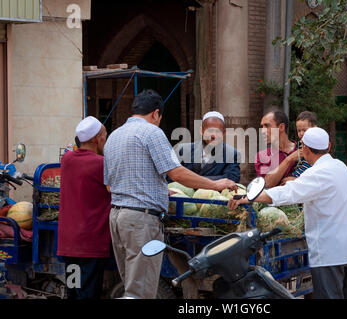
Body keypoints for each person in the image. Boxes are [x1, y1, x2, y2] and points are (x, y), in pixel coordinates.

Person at [103, 89, 236, 299]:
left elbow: (110, 185)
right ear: (156, 114)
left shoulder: (113, 136)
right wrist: (216, 185)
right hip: (141, 220)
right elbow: (176, 173)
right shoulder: (152, 133)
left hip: (117, 218)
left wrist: (155, 188)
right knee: (141, 291)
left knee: (131, 286)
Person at [229, 127, 347, 299]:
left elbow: (288, 193)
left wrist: (249, 197)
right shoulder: (341, 167)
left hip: (331, 254)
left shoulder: (316, 173)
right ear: (328, 147)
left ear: (305, 150)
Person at [57, 116, 111, 299]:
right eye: (104, 135)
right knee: (88, 293)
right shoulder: (101, 164)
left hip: (69, 243)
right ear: (97, 139)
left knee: (73, 290)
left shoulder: (67, 160)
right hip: (90, 243)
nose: (106, 138)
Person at [174, 111, 241, 182]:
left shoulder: (232, 154)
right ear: (201, 131)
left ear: (223, 133)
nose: (213, 135)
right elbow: (173, 176)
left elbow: (232, 179)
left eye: (218, 131)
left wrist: (191, 180)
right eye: (210, 131)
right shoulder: (183, 150)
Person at [264, 111, 318, 187]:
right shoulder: (300, 145)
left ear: (315, 128)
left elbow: (313, 167)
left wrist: (297, 179)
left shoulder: (315, 145)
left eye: (305, 130)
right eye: (299, 131)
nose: (302, 133)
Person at [255, 110, 296, 178]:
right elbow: (267, 184)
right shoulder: (261, 156)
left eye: (267, 126)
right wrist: (289, 160)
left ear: (281, 127)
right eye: (262, 127)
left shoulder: (303, 150)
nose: (262, 131)